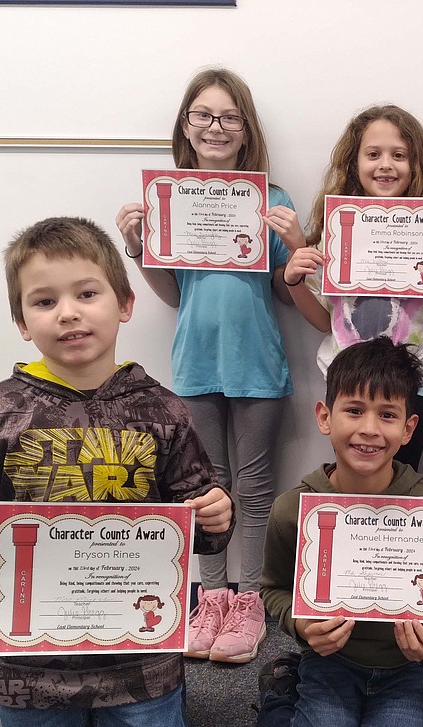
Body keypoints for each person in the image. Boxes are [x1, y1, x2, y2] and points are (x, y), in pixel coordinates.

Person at [0, 216, 234, 727]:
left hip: (137, 651)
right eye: (44, 300)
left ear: (125, 304)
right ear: (21, 321)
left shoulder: (163, 409)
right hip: (33, 659)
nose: (68, 313)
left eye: (86, 294)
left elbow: (205, 519)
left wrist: (217, 511)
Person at [116, 68, 305, 665]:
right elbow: (173, 295)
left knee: (252, 490)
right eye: (203, 115)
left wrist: (296, 240)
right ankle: (211, 594)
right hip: (194, 366)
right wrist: (139, 247)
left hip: (258, 367)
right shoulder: (169, 200)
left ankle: (248, 599)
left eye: (229, 117)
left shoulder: (272, 201)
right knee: (202, 488)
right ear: (186, 127)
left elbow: (287, 289)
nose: (216, 127)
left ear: (247, 130)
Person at [256, 337, 423, 727]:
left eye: (388, 415)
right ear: (325, 417)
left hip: (408, 670)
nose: (369, 430)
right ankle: (279, 704)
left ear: (410, 427)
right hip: (330, 662)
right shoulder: (294, 509)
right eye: (354, 410)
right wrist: (302, 628)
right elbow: (271, 589)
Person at [281, 104, 423, 470]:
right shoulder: (335, 233)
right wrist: (294, 282)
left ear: (415, 165)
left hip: (412, 383)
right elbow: (325, 321)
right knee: (353, 481)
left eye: (399, 155)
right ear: (354, 163)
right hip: (348, 384)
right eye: (373, 154)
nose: (385, 164)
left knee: (405, 479)